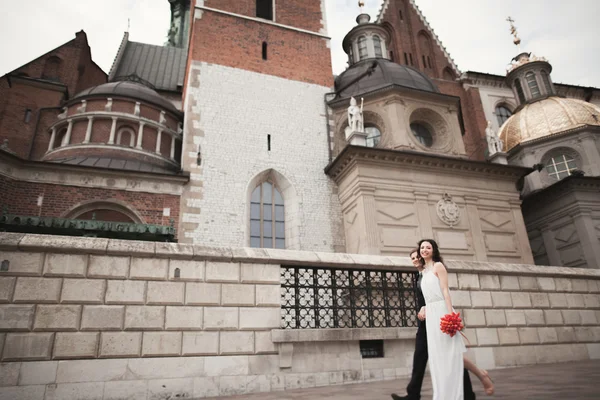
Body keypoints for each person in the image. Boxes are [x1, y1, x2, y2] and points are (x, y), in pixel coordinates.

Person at [391, 249, 477, 400]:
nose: (415, 259)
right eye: (412, 258)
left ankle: (468, 393)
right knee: (420, 357)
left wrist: (436, 311)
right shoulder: (419, 276)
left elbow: (439, 293)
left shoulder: (430, 272)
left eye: (417, 257)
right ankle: (413, 394)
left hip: (435, 319)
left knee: (449, 356)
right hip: (425, 323)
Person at [418, 239, 494, 399]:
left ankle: (458, 391)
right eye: (422, 247)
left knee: (451, 353)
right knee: (438, 355)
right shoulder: (423, 271)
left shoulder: (438, 266)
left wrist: (450, 313)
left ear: (434, 250)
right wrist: (424, 308)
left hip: (442, 311)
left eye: (428, 247)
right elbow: (427, 296)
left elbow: (445, 290)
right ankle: (443, 393)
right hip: (431, 315)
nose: (424, 249)